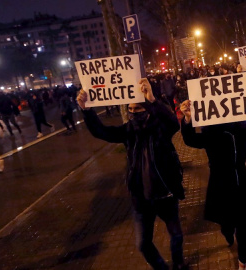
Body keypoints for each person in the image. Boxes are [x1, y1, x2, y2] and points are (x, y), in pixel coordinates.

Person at [77, 79, 187, 270]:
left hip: (165, 194)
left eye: (139, 109)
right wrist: (86, 110)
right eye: (131, 110)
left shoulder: (160, 129)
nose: (135, 113)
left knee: (176, 234)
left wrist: (153, 100)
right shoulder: (128, 131)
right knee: (143, 244)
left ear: (147, 109)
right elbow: (101, 132)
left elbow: (173, 123)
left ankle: (178, 263)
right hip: (141, 197)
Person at [180, 97, 246, 270]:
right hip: (219, 185)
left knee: (243, 228)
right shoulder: (210, 133)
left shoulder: (238, 129)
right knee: (226, 225)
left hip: (240, 182)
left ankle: (242, 263)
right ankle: (228, 235)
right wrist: (188, 119)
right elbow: (191, 140)